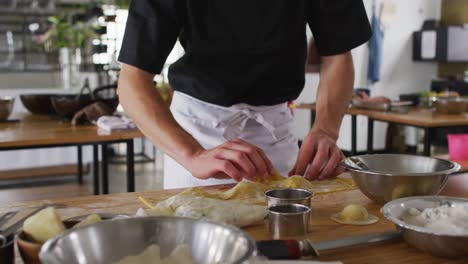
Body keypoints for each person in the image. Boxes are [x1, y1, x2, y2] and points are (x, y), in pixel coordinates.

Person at [117, 0, 372, 189]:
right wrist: (192, 154)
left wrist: (326, 130)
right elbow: (132, 81)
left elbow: (338, 53)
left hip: (275, 131)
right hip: (196, 134)